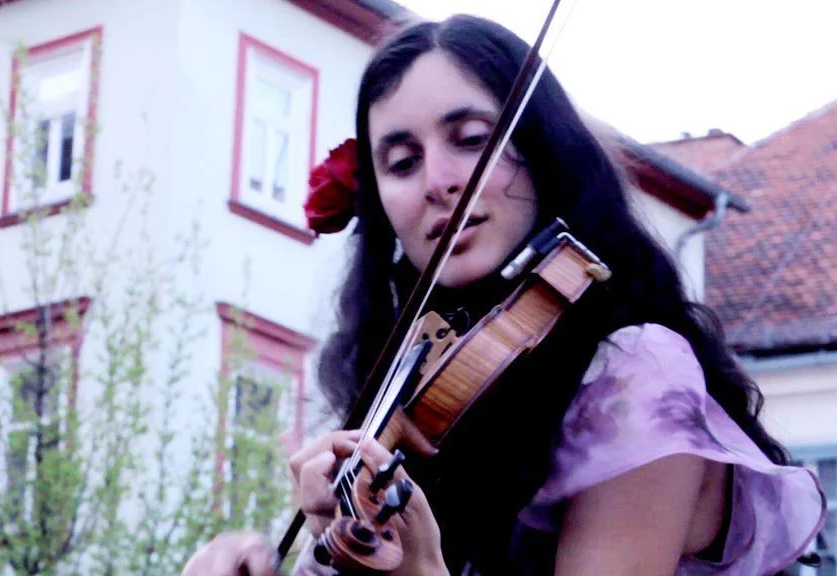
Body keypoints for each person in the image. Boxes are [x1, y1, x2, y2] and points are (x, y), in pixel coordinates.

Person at [182, 13, 826, 576]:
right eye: (402, 162)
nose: (440, 182)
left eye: (471, 140)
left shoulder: (639, 372)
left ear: (544, 153)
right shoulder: (416, 389)